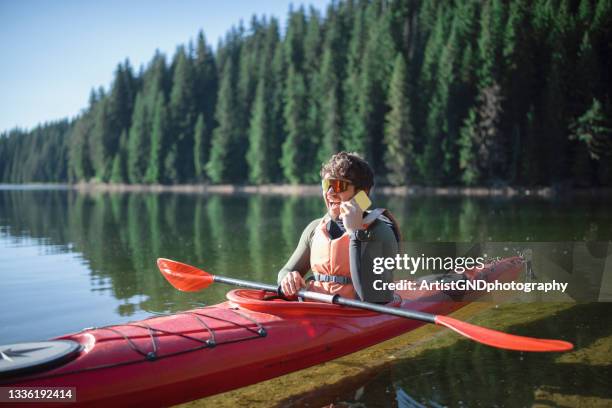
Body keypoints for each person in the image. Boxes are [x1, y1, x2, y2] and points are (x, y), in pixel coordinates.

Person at [277, 152, 400, 303]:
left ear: (363, 193)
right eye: (326, 185)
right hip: (312, 311)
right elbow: (285, 271)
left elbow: (373, 298)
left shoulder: (380, 232)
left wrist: (355, 234)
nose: (329, 193)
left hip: (356, 316)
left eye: (338, 185)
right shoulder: (314, 229)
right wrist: (288, 279)